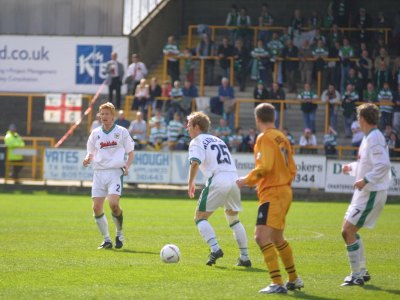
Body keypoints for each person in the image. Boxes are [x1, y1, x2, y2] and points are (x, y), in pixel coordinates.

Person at [236, 103, 302, 294]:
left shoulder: (264, 138)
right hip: (284, 191)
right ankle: (294, 279)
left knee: (260, 236)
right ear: (274, 118)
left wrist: (245, 180)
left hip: (272, 193)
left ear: (257, 119)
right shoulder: (282, 137)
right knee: (276, 237)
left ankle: (277, 282)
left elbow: (264, 167)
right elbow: (292, 168)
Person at [186, 111, 251, 267]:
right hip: (233, 179)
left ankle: (215, 249)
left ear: (196, 126)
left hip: (218, 179)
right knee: (233, 219)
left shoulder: (196, 141)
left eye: (189, 125)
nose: (187, 129)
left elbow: (195, 162)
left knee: (200, 218)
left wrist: (190, 183)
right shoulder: (218, 140)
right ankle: (245, 257)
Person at [341, 103, 391, 286]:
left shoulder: (375, 138)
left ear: (363, 118)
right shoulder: (369, 137)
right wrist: (351, 168)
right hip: (366, 192)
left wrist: (366, 180)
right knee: (349, 231)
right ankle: (361, 271)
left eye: (358, 117)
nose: (357, 120)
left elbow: (383, 165)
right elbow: (367, 164)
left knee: (347, 231)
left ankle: (357, 275)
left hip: (371, 192)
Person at [82, 102, 135, 250]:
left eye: (107, 114)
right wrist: (87, 158)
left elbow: (131, 153)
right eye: (102, 114)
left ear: (113, 116)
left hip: (115, 172)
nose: (104, 116)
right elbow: (90, 151)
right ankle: (106, 240)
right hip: (98, 173)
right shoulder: (95, 133)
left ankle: (119, 233)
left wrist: (127, 165)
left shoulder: (122, 131)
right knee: (96, 208)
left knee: (113, 204)